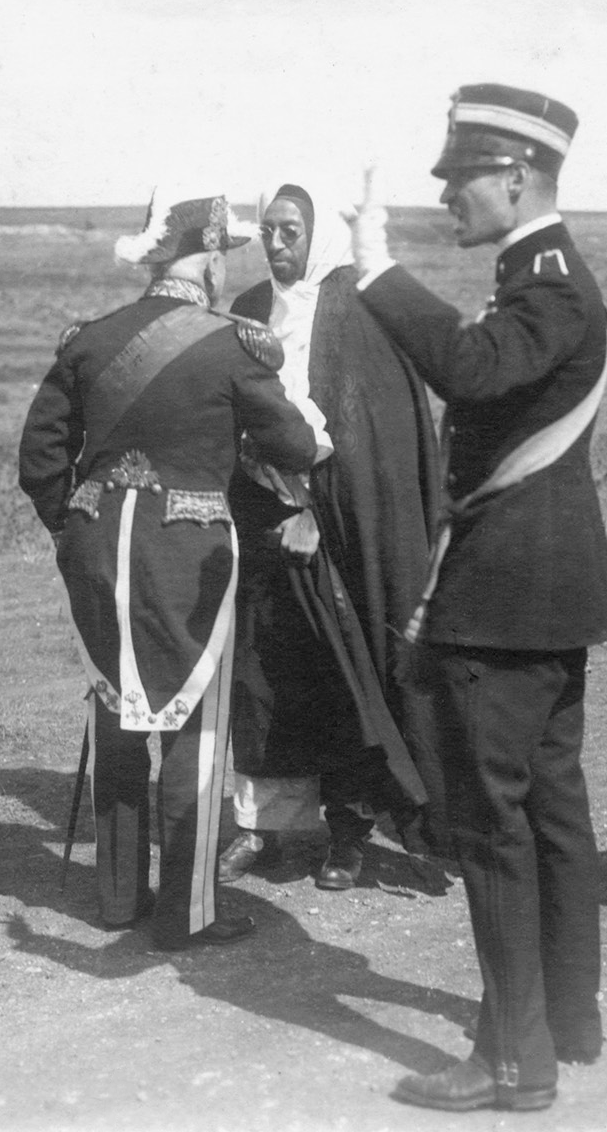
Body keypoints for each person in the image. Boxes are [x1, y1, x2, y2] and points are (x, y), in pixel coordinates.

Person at [347, 83, 607, 1113]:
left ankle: (515, 1060)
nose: (445, 196)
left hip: (505, 600)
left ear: (517, 177)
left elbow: (469, 371)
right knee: (550, 811)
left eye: (461, 178)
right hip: (544, 594)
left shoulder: (546, 286)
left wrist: (375, 270)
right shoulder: (541, 277)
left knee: (493, 828)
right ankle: (565, 1017)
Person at [18, 188, 319, 951]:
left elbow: (38, 461)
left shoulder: (89, 340)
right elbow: (288, 444)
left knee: (118, 720)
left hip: (96, 550)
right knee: (192, 733)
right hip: (186, 554)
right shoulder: (233, 344)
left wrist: (73, 526)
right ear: (212, 258)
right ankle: (186, 915)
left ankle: (119, 899)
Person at [219, 181, 445, 891]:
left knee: (351, 673)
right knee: (270, 673)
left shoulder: (362, 309)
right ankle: (266, 824)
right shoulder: (252, 308)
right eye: (269, 232)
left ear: (318, 234)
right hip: (265, 521)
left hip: (347, 528)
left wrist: (318, 511)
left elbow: (369, 433)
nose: (277, 245)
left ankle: (349, 831)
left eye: (291, 231)